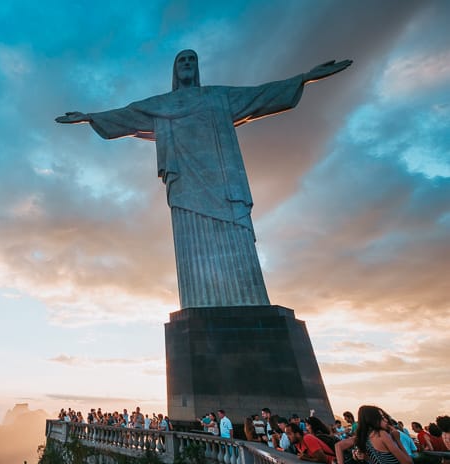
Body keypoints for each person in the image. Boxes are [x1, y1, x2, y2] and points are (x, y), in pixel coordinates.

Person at [56, 50, 351, 308]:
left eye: (191, 60)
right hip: (186, 186)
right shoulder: (161, 104)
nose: (186, 63)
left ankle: (248, 302)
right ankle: (202, 303)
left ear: (197, 67)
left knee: (237, 236)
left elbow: (261, 94)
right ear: (175, 69)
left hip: (224, 184)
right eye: (181, 60)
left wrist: (305, 78)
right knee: (193, 247)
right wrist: (89, 116)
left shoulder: (218, 96)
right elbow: (127, 115)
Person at [330, 406, 428, 464]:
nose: (385, 420)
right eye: (381, 417)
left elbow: (338, 445)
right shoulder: (382, 434)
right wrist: (397, 440)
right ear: (372, 419)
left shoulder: (364, 438)